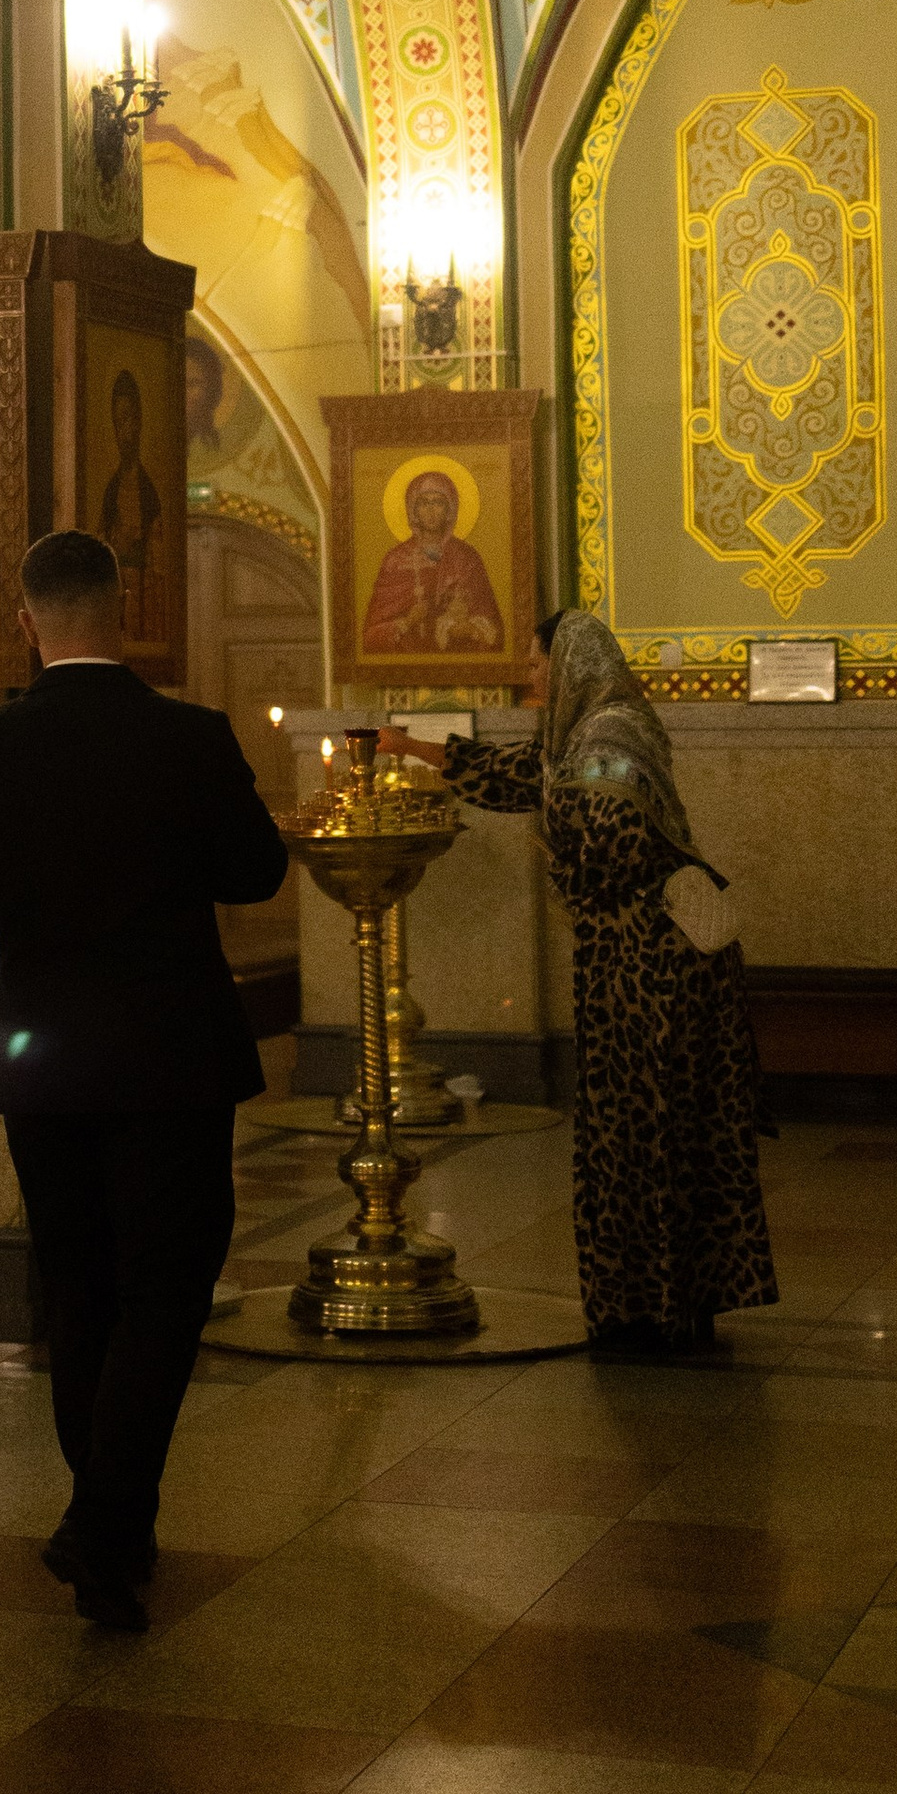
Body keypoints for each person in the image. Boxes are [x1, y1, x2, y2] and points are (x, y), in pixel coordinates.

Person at [0, 528, 290, 1632]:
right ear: (121, 612)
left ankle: (106, 1522)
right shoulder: (189, 736)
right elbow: (256, 870)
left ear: (26, 622)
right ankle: (106, 1523)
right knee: (166, 1290)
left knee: (79, 1287)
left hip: (45, 1059)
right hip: (173, 1058)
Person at [384, 608, 776, 1356]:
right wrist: (412, 749)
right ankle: (652, 1304)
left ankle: (657, 1312)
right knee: (635, 1134)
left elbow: (613, 843)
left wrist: (565, 873)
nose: (531, 678)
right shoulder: (582, 732)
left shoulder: (608, 735)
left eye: (536, 664)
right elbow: (516, 777)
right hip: (630, 965)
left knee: (649, 1134)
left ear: (567, 664)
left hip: (653, 973)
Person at [362, 468, 502, 657]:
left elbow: (492, 623)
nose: (430, 510)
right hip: (406, 664)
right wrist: (407, 622)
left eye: (438, 502)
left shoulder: (466, 557)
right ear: (413, 509)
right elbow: (370, 637)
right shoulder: (395, 560)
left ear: (450, 509)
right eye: (423, 503)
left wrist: (466, 627)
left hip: (458, 661)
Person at [97, 369, 166, 642]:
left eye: (129, 419)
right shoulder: (111, 489)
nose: (124, 430)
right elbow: (98, 543)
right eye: (117, 422)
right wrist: (115, 546)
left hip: (143, 597)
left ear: (139, 422)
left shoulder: (149, 492)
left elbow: (159, 560)